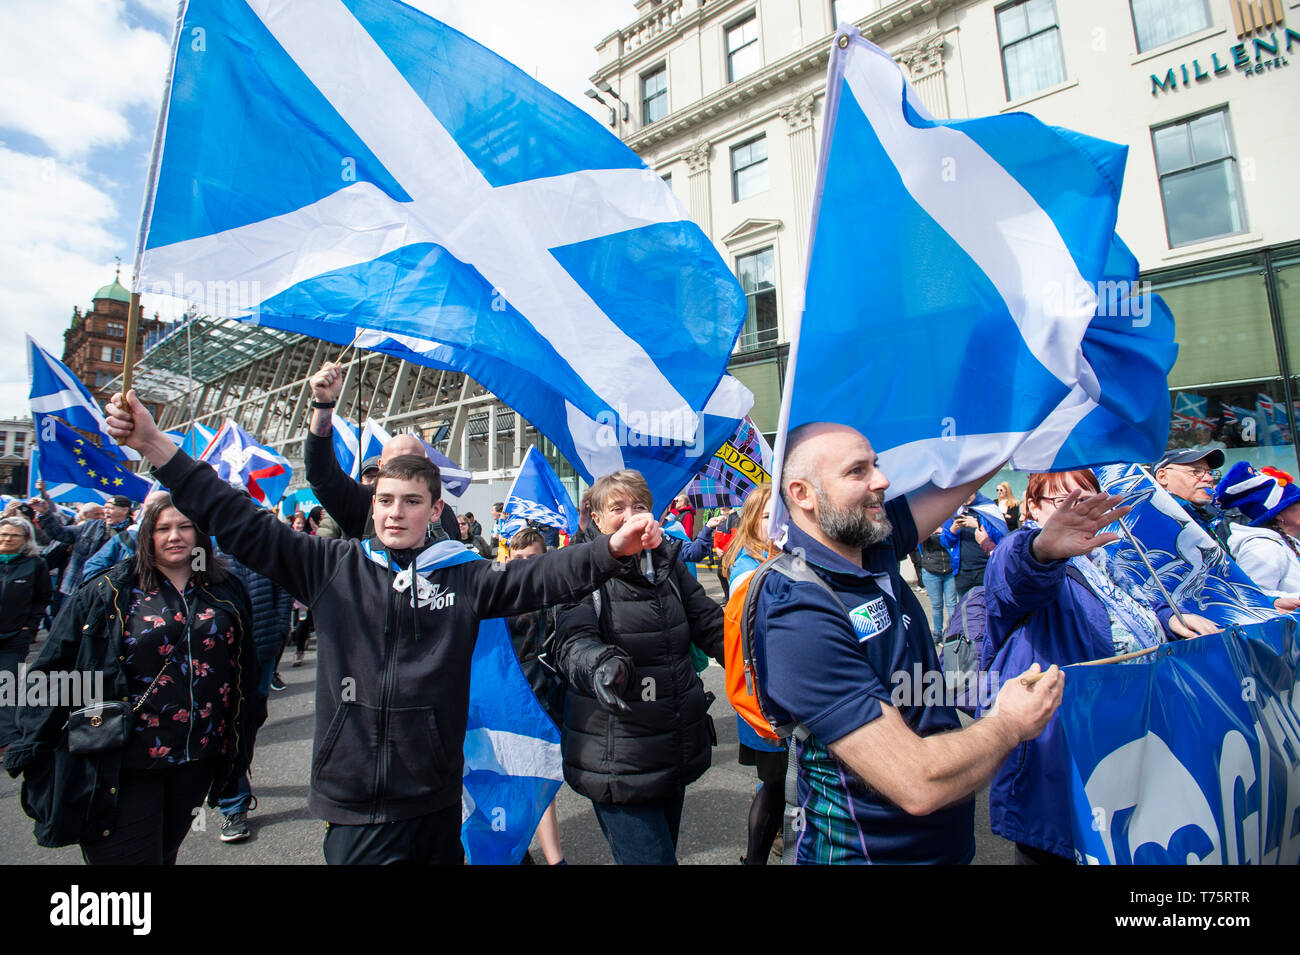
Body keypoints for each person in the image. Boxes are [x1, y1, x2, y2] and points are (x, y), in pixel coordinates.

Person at [103, 388, 660, 865]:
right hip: (356, 805)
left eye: (411, 501)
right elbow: (235, 517)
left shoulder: (465, 577)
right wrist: (155, 445)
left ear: (434, 510)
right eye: (385, 499)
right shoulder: (329, 568)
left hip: (436, 798)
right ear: (371, 507)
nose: (395, 511)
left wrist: (611, 549)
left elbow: (540, 577)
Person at [750, 422, 1063, 865]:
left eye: (875, 464)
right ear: (803, 494)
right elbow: (918, 781)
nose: (882, 480)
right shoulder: (796, 610)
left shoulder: (867, 541)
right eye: (857, 471)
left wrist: (1023, 423)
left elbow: (963, 480)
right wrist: (1010, 723)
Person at [4, 493, 261, 864]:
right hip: (122, 761)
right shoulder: (109, 590)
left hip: (196, 759)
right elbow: (51, 668)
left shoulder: (225, 588)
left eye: (186, 526)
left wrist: (246, 725)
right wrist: (32, 742)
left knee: (163, 854)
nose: (175, 536)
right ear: (146, 535)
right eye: (163, 528)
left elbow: (244, 667)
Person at [982, 469, 1219, 864]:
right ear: (1032, 508)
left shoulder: (1106, 558)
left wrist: (1166, 618)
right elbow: (1015, 577)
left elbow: (1122, 608)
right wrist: (1041, 549)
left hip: (1134, 749)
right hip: (1068, 763)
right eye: (1064, 503)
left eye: (1090, 499)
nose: (1081, 511)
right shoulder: (1028, 554)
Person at [554, 469, 724, 865]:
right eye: (617, 508)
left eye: (640, 506)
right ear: (596, 518)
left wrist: (755, 652)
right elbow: (572, 639)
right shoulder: (577, 565)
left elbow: (710, 624)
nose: (631, 514)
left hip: (673, 745)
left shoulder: (668, 560)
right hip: (617, 754)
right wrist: (601, 664)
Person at [303, 363, 461, 543]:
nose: (396, 513)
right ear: (381, 466)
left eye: (412, 462)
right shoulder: (361, 502)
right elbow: (321, 475)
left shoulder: (444, 515)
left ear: (435, 510)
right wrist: (323, 404)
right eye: (395, 465)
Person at [216, 489, 295, 844]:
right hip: (215, 659)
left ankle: (226, 777)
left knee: (248, 721)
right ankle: (234, 803)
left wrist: (279, 631)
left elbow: (283, 592)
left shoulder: (265, 546)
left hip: (261, 649)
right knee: (226, 727)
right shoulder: (203, 548)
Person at [718, 484, 786, 865]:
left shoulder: (785, 555)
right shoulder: (747, 566)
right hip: (764, 698)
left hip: (785, 695)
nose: (775, 523)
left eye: (780, 515)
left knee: (782, 783)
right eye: (766, 516)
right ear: (750, 521)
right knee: (774, 784)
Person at [506, 527, 566, 865]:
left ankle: (555, 858)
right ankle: (523, 851)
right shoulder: (499, 599)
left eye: (532, 558)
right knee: (519, 781)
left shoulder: (556, 596)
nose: (525, 565)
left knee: (541, 782)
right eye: (518, 559)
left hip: (547, 700)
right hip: (515, 701)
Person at [0, 517, 52, 755]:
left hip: (13, 637)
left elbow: (42, 597)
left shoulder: (35, 564)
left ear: (25, 539)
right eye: (3, 534)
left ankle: (7, 741)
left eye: (13, 535)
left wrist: (29, 627)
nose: (7, 539)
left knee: (5, 686)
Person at [1214, 462, 1300, 596]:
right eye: (1297, 503)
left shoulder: (1288, 542)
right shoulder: (1263, 547)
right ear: (1278, 514)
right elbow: (1254, 597)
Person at [33, 493, 135, 597]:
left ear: (125, 510)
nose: (106, 511)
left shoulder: (134, 533)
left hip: (109, 593)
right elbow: (59, 533)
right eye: (105, 508)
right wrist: (45, 513)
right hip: (75, 589)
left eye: (111, 508)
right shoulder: (91, 526)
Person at [1152, 447, 1228, 550]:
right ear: (1163, 477)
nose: (1209, 479)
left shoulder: (1210, 517)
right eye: (1196, 472)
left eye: (1210, 473)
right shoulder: (1151, 520)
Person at [940, 491, 1007, 598]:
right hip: (962, 572)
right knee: (965, 610)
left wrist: (978, 525)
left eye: (969, 493)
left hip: (986, 569)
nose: (965, 498)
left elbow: (1001, 538)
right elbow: (945, 543)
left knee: (990, 607)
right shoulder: (953, 511)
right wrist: (952, 531)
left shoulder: (988, 508)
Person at [917, 527, 956, 636]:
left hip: (949, 569)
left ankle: (953, 632)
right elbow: (918, 540)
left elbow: (953, 541)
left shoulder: (949, 525)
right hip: (931, 570)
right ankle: (937, 633)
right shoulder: (927, 525)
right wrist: (930, 530)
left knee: (952, 604)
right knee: (937, 605)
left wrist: (946, 531)